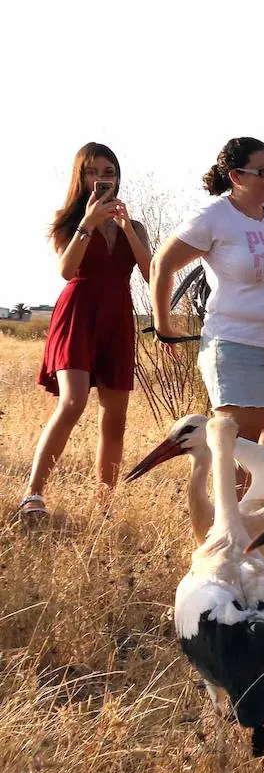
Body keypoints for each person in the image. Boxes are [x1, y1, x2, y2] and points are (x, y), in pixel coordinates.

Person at [17, 143, 153, 524]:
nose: (102, 177)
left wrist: (127, 229)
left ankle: (104, 506)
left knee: (115, 419)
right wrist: (88, 223)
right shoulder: (69, 221)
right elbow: (66, 269)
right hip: (77, 314)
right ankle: (33, 494)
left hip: (117, 318)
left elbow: (150, 272)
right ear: (82, 177)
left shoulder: (134, 224)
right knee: (73, 402)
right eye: (93, 171)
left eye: (108, 170)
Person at [151, 137, 264, 457]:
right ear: (236, 177)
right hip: (237, 345)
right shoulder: (214, 216)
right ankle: (230, 510)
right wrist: (163, 326)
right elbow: (162, 264)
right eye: (262, 171)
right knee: (242, 450)